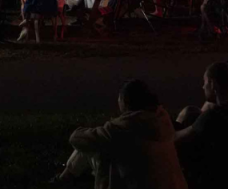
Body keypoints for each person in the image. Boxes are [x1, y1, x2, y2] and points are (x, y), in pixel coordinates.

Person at [53, 79, 188, 188]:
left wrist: (93, 130)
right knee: (100, 143)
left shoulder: (122, 129)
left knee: (95, 147)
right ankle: (65, 178)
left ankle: (63, 179)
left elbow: (76, 139)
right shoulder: (160, 121)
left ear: (125, 102)